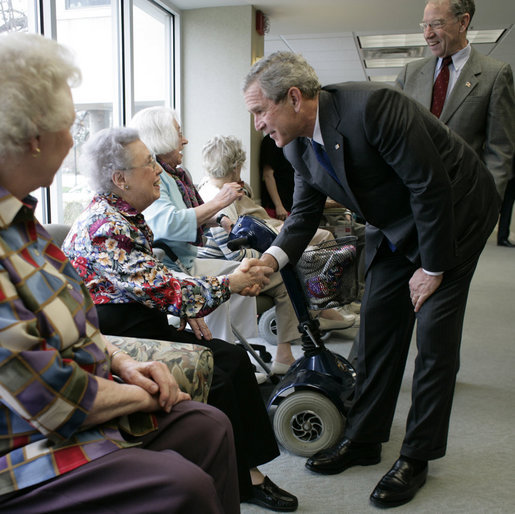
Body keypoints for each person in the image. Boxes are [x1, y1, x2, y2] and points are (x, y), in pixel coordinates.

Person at [241, 51, 500, 509]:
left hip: (454, 217)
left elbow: (429, 187)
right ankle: (363, 440)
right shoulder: (298, 145)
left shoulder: (375, 107)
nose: (258, 124)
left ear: (294, 98)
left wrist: (432, 269)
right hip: (396, 226)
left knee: (434, 340)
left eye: (260, 110)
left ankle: (416, 457)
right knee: (377, 330)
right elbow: (302, 215)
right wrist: (271, 260)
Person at [0, 32, 239, 514]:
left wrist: (124, 364)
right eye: (69, 126)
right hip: (28, 448)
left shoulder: (27, 229)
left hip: (85, 400)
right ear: (33, 139)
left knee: (210, 426)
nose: (74, 141)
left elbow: (77, 327)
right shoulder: (84, 226)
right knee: (180, 486)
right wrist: (138, 394)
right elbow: (53, 403)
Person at [62, 127, 298, 512]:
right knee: (218, 376)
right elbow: (160, 288)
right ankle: (231, 482)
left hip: (139, 320)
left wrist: (186, 308)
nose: (159, 171)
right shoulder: (104, 227)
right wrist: (230, 284)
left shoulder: (124, 215)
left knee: (235, 360)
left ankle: (247, 475)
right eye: (148, 164)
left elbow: (152, 285)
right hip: (118, 336)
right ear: (120, 179)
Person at [129, 106, 260, 344]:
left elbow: (194, 213)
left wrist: (220, 218)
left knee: (244, 274)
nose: (185, 140)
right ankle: (222, 350)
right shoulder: (155, 178)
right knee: (219, 289)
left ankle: (241, 346)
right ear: (161, 137)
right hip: (170, 265)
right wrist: (220, 200)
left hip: (188, 261)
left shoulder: (179, 176)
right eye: (178, 133)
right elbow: (170, 224)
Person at [396, 0, 514, 200]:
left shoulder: (495, 75)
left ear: (463, 22)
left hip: (463, 200)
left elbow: (500, 149)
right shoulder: (410, 73)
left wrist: (488, 205)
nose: (427, 34)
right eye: (425, 25)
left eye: (436, 24)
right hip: (411, 199)